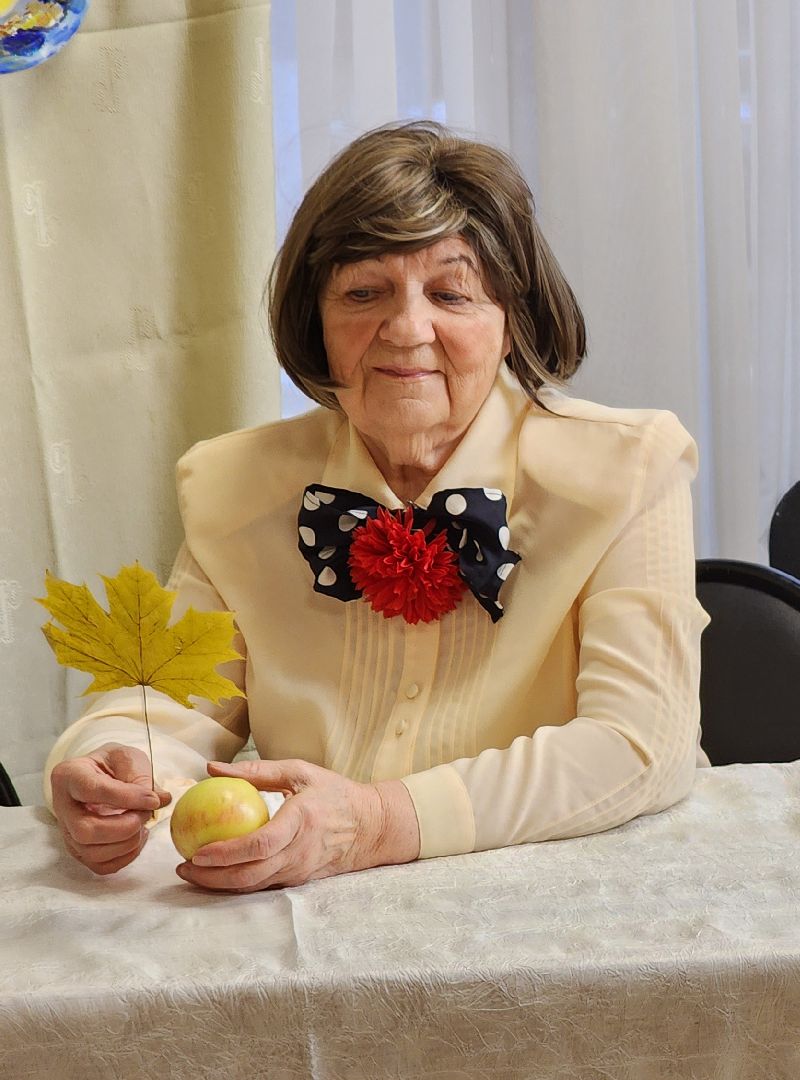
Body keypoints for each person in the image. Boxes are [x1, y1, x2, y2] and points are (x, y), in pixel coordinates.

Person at [44, 121, 707, 892]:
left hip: (571, 893)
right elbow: (170, 702)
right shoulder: (235, 486)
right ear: (316, 323)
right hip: (316, 919)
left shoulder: (629, 468)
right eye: (363, 292)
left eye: (452, 292)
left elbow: (641, 744)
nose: (406, 329)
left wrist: (383, 821)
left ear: (510, 321)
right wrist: (112, 762)